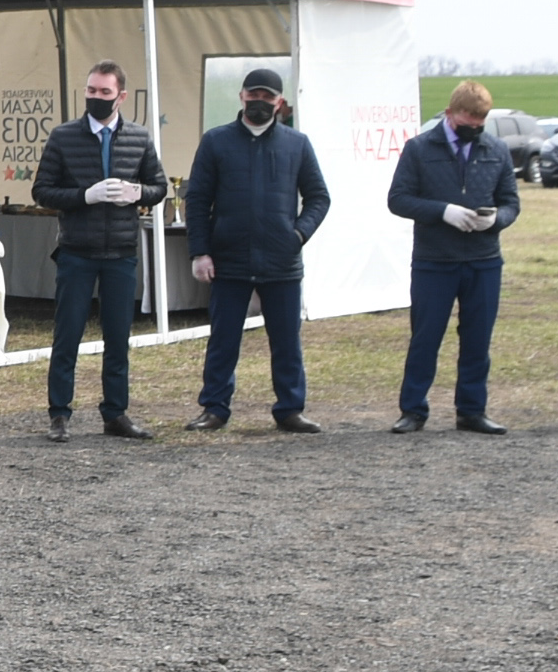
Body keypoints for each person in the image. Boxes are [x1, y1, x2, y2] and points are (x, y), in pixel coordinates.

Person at [182, 67, 333, 434]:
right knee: (223, 339)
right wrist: (200, 252)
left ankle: (290, 409)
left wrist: (298, 234)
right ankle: (214, 408)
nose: (260, 103)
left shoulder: (297, 144)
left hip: (282, 261)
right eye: (254, 96)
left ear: (280, 102)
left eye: (268, 98)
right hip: (228, 259)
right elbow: (198, 200)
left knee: (286, 341)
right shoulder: (216, 142)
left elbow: (319, 197)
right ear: (241, 97)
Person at [29, 59, 168, 441]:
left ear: (121, 96)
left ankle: (115, 413)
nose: (96, 98)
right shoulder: (64, 136)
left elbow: (159, 186)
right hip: (77, 250)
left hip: (121, 251)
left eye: (104, 92)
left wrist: (138, 193)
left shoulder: (138, 138)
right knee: (67, 334)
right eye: (91, 91)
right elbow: (41, 191)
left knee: (118, 337)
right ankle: (59, 414)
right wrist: (83, 196)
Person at [386, 80, 520, 433]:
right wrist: (442, 211)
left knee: (478, 338)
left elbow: (511, 203)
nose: (474, 127)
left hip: (484, 259)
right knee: (426, 337)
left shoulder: (497, 150)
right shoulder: (419, 149)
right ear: (449, 113)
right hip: (435, 260)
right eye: (467, 120)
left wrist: (496, 220)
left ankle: (472, 410)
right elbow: (398, 199)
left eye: (481, 121)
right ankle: (413, 410)